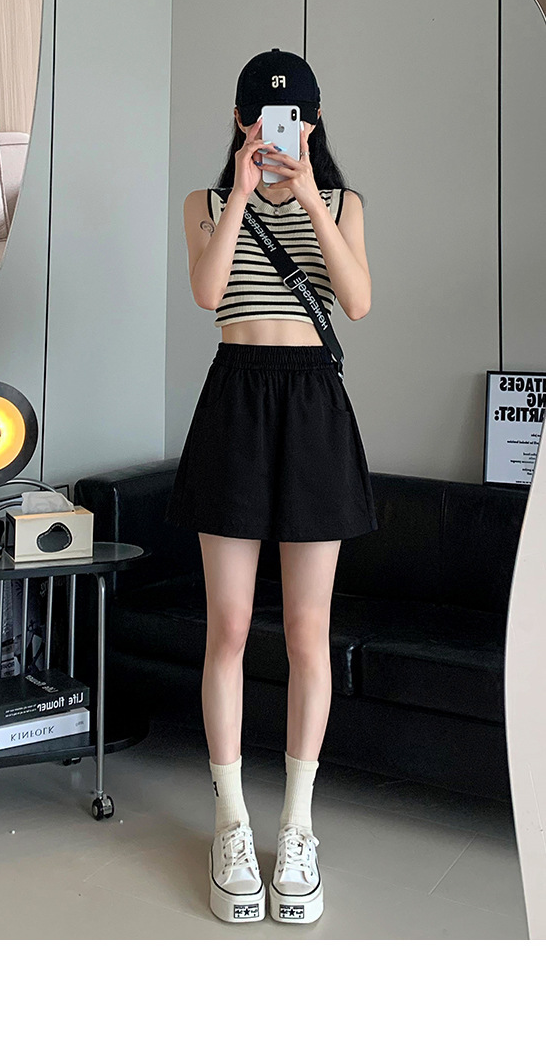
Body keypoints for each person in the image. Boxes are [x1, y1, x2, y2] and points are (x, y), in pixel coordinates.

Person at [164, 48, 378, 925]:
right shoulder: (206, 203)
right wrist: (246, 190)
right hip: (236, 402)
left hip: (313, 406)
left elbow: (357, 302)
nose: (277, 130)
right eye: (262, 117)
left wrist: (313, 202)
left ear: (312, 124)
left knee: (306, 633)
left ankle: (297, 827)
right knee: (228, 626)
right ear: (242, 120)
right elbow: (208, 292)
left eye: (293, 118)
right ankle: (230, 823)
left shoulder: (345, 202)